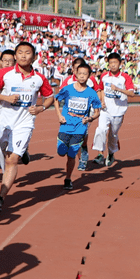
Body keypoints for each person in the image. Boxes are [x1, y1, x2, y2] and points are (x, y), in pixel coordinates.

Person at [0, 42, 54, 212]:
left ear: (35, 57)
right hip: (3, 122)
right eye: (20, 52)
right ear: (15, 56)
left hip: (24, 123)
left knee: (12, 160)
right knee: (2, 153)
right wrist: (4, 99)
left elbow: (50, 96)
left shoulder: (39, 78)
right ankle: (22, 152)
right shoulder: (5, 73)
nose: (24, 56)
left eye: (28, 53)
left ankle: (1, 197)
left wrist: (41, 108)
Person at [53, 63, 101, 191]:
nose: (82, 76)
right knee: (61, 152)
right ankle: (62, 147)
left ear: (89, 76)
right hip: (65, 125)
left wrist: (90, 118)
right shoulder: (68, 89)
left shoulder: (91, 93)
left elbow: (97, 112)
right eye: (80, 73)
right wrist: (59, 115)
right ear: (75, 74)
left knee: (72, 155)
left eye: (85, 74)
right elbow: (56, 100)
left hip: (80, 127)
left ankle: (68, 179)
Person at [91, 52, 135, 168]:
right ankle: (100, 153)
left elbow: (131, 93)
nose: (113, 65)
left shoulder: (125, 77)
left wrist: (119, 89)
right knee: (101, 130)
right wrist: (101, 101)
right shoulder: (104, 76)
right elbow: (100, 89)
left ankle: (111, 153)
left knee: (113, 134)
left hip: (119, 111)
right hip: (105, 110)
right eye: (111, 63)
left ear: (120, 63)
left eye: (115, 62)